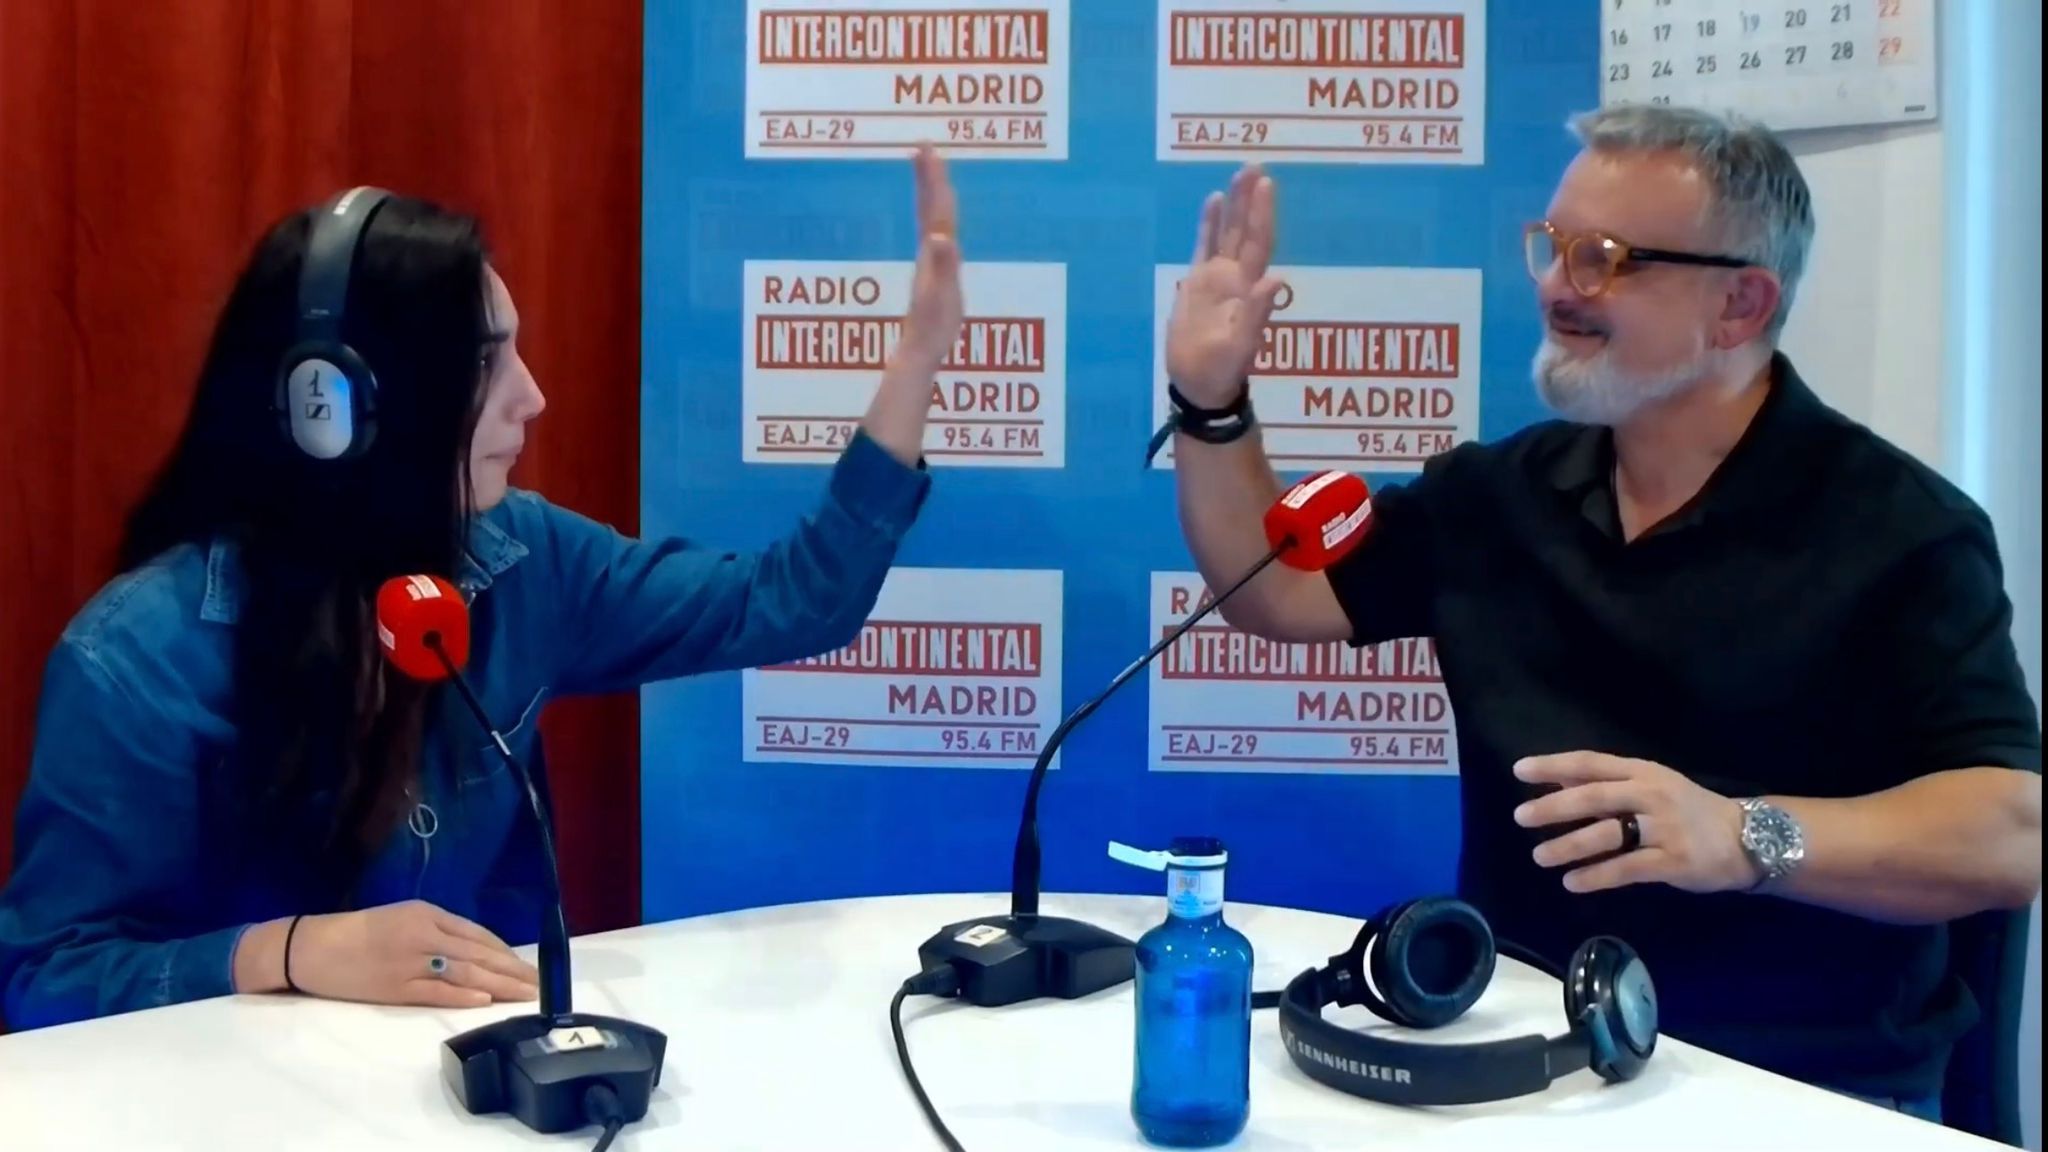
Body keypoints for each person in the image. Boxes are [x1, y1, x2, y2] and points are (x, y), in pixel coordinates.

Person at [1161, 104, 2041, 1118]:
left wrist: (1742, 837)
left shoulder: (1899, 529)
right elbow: (1273, 590)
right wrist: (1210, 402)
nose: (1554, 287)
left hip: (1800, 1089)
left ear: (1740, 305)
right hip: (1516, 1060)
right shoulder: (1495, 496)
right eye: (1553, 246)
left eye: (1604, 259)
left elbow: (2008, 833)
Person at [0, 146, 965, 1030]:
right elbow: (44, 976)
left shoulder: (523, 556)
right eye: (480, 363)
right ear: (333, 408)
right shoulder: (138, 660)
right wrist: (285, 953)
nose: (531, 396)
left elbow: (794, 602)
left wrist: (918, 358)